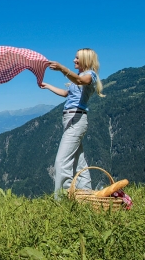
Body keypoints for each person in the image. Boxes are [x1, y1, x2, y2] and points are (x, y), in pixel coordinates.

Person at [40, 48, 105, 199]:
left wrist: (62, 68)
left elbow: (81, 81)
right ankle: (86, 195)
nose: (74, 60)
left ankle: (64, 199)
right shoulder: (79, 77)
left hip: (77, 119)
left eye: (77, 58)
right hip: (70, 119)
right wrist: (47, 86)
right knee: (78, 161)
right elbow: (65, 94)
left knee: (61, 162)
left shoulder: (90, 76)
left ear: (85, 60)